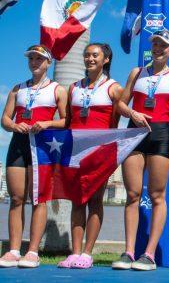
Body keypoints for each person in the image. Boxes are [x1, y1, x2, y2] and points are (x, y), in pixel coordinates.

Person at [112, 29, 169, 271]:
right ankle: (129, 252)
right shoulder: (137, 72)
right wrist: (133, 113)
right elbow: (121, 103)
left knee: (157, 196)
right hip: (133, 133)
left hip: (161, 135)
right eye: (154, 44)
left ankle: (150, 254)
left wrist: (161, 118)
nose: (157, 48)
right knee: (132, 194)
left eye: (162, 45)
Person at [0, 45, 67, 268]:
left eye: (39, 59)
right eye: (32, 59)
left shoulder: (57, 89)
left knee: (38, 199)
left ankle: (32, 251)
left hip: (42, 146)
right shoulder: (18, 89)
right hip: (18, 145)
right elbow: (5, 120)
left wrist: (48, 123)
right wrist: (14, 125)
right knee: (16, 198)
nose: (35, 62)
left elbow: (67, 120)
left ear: (48, 63)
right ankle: (12, 250)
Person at [56, 43, 122, 269]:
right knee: (76, 200)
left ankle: (87, 253)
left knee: (94, 201)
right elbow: (67, 122)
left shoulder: (114, 87)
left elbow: (114, 123)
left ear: (106, 60)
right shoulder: (73, 88)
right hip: (75, 150)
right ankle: (74, 253)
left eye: (95, 55)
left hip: (100, 151)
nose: (89, 58)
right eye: (86, 55)